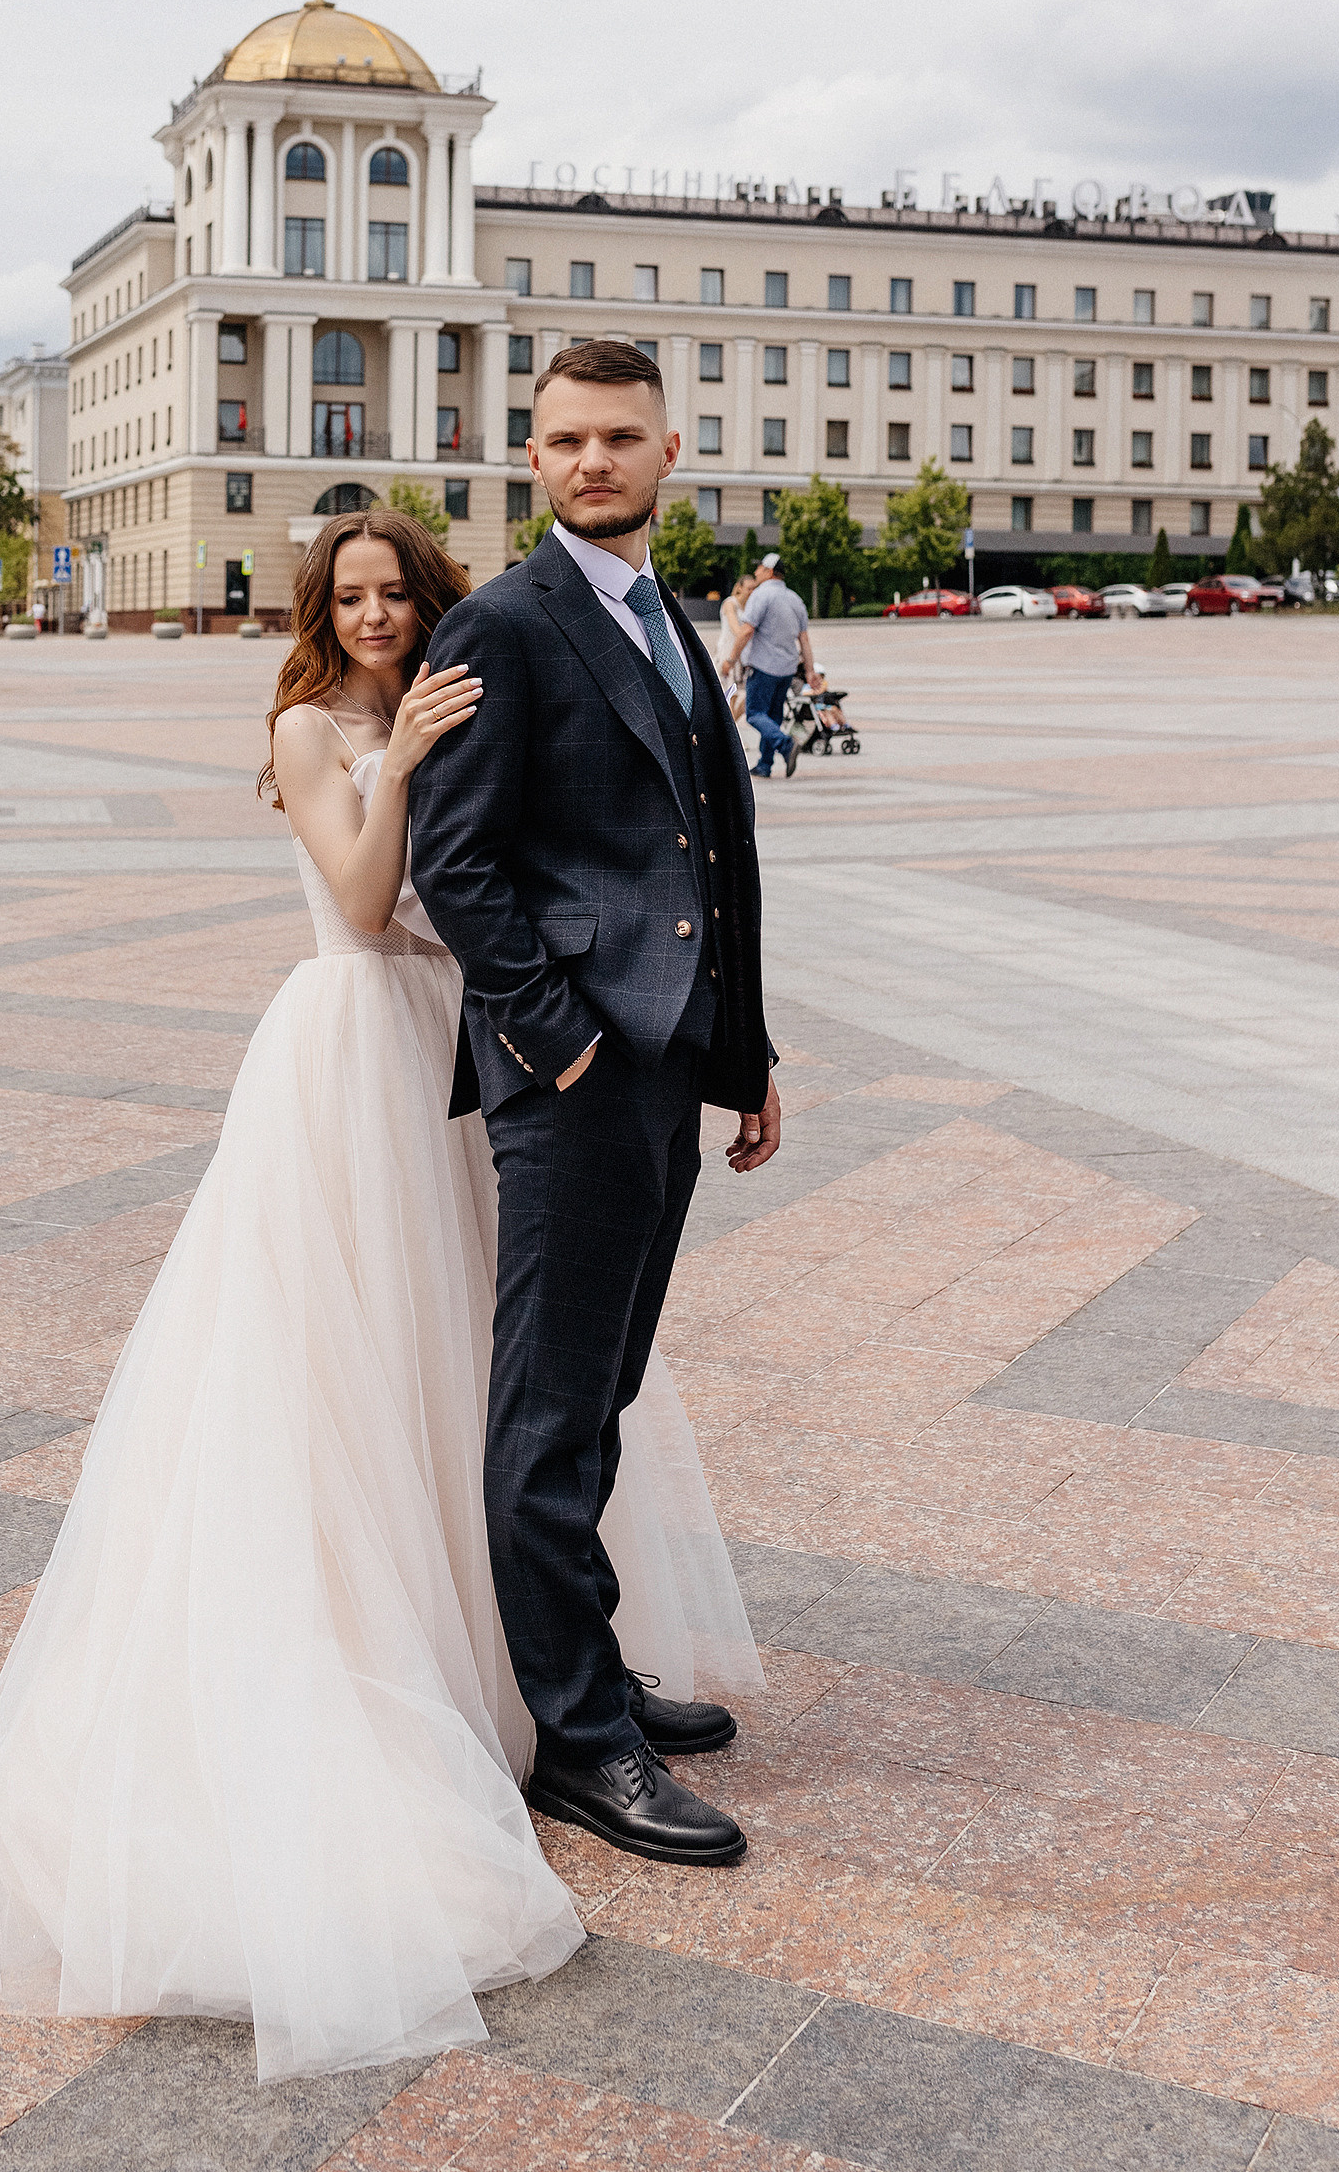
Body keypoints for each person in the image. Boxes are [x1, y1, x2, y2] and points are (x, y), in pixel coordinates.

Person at [0, 506, 762, 2080]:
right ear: (318, 610)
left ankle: (534, 1659)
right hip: (354, 1046)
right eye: (346, 598)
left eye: (392, 593)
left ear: (429, 598)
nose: (371, 617)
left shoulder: (465, 685)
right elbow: (363, 902)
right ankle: (424, 1666)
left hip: (466, 1048)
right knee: (349, 1356)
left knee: (488, 1359)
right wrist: (401, 759)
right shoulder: (306, 727)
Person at [409, 340, 780, 1873]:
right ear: (531, 452)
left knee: (604, 1386)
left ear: (670, 450)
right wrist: (556, 1041)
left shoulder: (666, 616)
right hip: (574, 1077)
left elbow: (712, 850)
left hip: (668, 1058)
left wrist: (742, 1050)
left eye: (619, 439)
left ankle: (593, 1664)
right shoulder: (507, 619)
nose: (591, 463)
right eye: (564, 440)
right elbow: (457, 859)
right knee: (551, 1410)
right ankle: (577, 1741)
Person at [729, 550, 815, 780]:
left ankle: (786, 745)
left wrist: (731, 659)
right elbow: (804, 639)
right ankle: (764, 765)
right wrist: (810, 671)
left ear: (769, 571)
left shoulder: (761, 595)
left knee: (755, 714)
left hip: (763, 666)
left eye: (759, 568)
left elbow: (747, 630)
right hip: (786, 670)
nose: (756, 572)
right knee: (773, 717)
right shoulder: (795, 599)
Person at [714, 569, 756, 720]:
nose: (752, 592)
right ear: (740, 587)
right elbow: (736, 630)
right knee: (730, 697)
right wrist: (746, 633)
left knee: (747, 698)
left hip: (742, 657)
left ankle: (731, 731)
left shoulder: (749, 608)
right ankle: (731, 738)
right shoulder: (730, 604)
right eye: (749, 588)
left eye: (754, 589)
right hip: (728, 653)